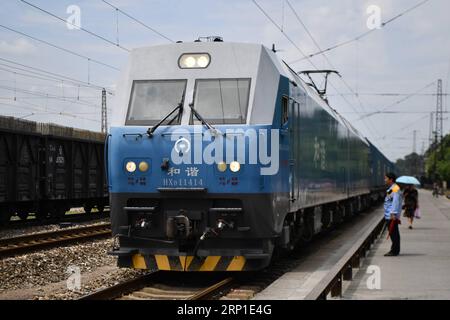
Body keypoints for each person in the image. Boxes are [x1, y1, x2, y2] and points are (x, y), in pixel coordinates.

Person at [384, 172, 403, 257]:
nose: (385, 180)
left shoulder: (395, 188)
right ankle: (395, 249)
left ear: (391, 179)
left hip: (391, 215)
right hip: (389, 214)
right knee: (393, 232)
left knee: (393, 233)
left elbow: (395, 201)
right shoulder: (392, 188)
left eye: (386, 178)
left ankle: (394, 250)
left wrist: (393, 213)